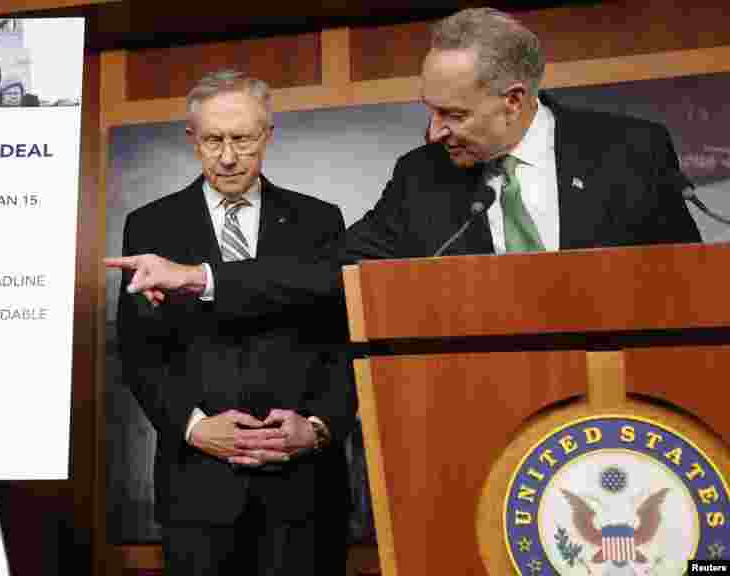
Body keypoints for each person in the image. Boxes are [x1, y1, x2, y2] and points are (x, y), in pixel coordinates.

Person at [106, 7, 702, 317]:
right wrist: (201, 277)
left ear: (513, 100)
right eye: (429, 109)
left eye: (453, 114)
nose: (434, 131)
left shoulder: (630, 151)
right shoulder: (423, 176)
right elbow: (327, 268)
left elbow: (686, 288)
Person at [118, 70, 356, 576]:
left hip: (306, 492)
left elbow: (345, 346)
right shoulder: (149, 226)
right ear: (192, 139)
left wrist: (317, 429)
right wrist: (195, 427)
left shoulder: (321, 222)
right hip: (198, 493)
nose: (227, 157)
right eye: (213, 140)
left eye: (243, 139)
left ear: (268, 134)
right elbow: (139, 352)